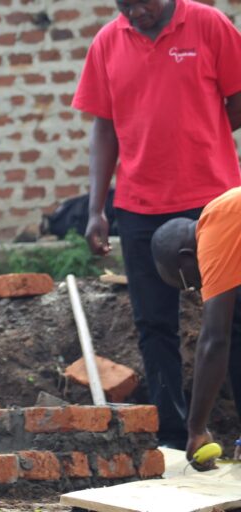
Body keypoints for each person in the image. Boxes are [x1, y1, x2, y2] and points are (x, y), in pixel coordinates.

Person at [72, 0, 241, 447]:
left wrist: (202, 135)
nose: (134, 12)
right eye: (123, 4)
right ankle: (173, 438)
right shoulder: (107, 42)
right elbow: (103, 128)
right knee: (154, 324)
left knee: (232, 321)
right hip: (140, 207)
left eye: (142, 1)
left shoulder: (208, 25)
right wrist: (95, 208)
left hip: (213, 202)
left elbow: (238, 101)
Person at [152, 188, 241, 465]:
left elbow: (214, 341)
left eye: (190, 283)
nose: (198, 289)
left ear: (186, 257)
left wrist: (195, 428)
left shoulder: (214, 226)